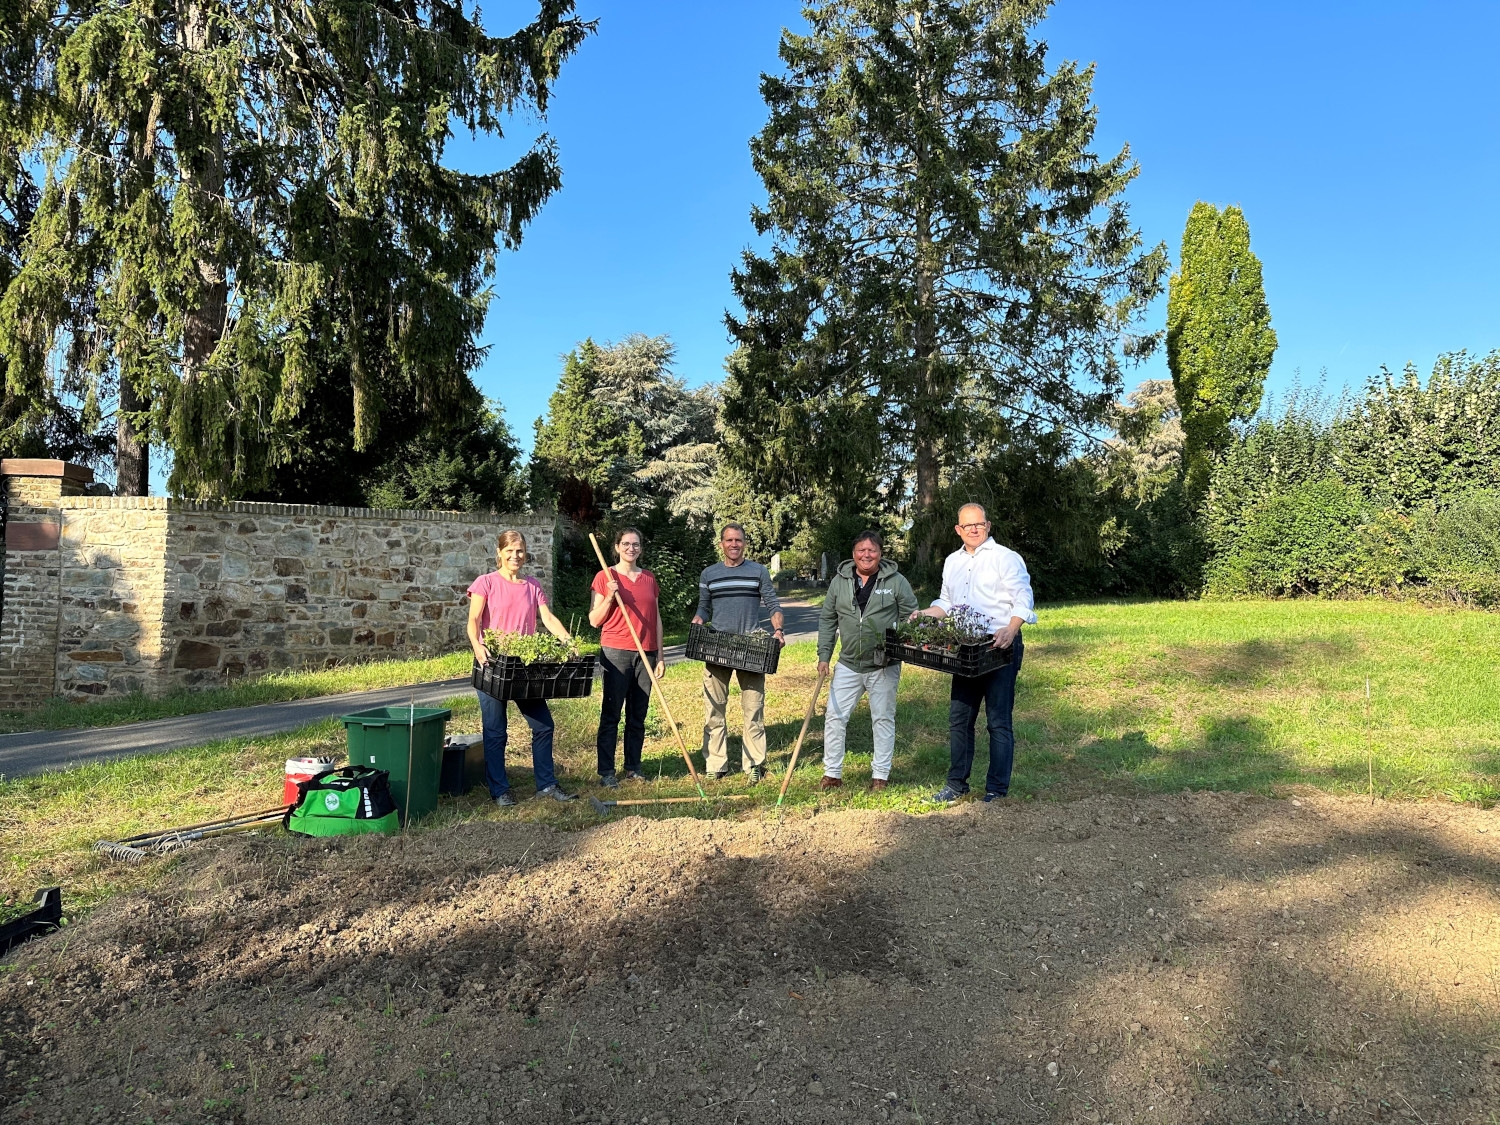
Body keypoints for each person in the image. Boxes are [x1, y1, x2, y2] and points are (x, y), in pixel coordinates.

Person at [912, 503, 1036, 803]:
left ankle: (996, 790)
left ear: (988, 526)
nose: (975, 529)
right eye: (968, 526)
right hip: (965, 649)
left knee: (998, 721)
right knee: (959, 719)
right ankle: (956, 785)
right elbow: (947, 602)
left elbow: (1024, 596)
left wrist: (1012, 629)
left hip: (999, 646)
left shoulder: (1006, 558)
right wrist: (925, 614)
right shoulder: (952, 562)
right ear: (958, 530)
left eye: (979, 524)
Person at [466, 530, 577, 806]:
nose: (515, 556)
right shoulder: (486, 583)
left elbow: (547, 618)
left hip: (524, 668)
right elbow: (474, 620)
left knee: (543, 726)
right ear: (499, 553)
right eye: (510, 551)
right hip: (492, 665)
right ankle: (500, 790)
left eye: (520, 551)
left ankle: (547, 786)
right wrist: (478, 646)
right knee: (495, 731)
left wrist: (568, 641)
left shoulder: (532, 585)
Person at [816, 530, 917, 791]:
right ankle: (832, 774)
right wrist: (824, 656)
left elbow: (911, 616)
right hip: (848, 663)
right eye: (861, 550)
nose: (866, 554)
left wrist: (897, 645)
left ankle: (880, 776)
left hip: (884, 665)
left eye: (872, 550)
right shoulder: (839, 581)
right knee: (835, 717)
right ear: (853, 554)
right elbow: (828, 619)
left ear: (880, 553)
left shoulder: (896, 581)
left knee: (882, 719)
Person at [692, 522, 784, 782]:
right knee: (714, 709)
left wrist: (778, 631)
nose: (734, 544)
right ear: (721, 543)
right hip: (717, 647)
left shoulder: (758, 572)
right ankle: (715, 765)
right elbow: (703, 607)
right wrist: (699, 619)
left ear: (744, 543)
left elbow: (773, 605)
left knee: (753, 709)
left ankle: (754, 764)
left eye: (738, 540)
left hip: (751, 648)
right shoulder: (709, 574)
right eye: (729, 540)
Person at [588, 527, 665, 788]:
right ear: (617, 546)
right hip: (616, 651)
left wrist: (661, 655)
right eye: (626, 544)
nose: (631, 548)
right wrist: (610, 595)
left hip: (646, 653)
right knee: (611, 713)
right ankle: (607, 772)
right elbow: (594, 620)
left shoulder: (649, 579)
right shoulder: (604, 576)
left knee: (638, 714)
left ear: (641, 548)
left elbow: (657, 619)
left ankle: (633, 767)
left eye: (635, 544)